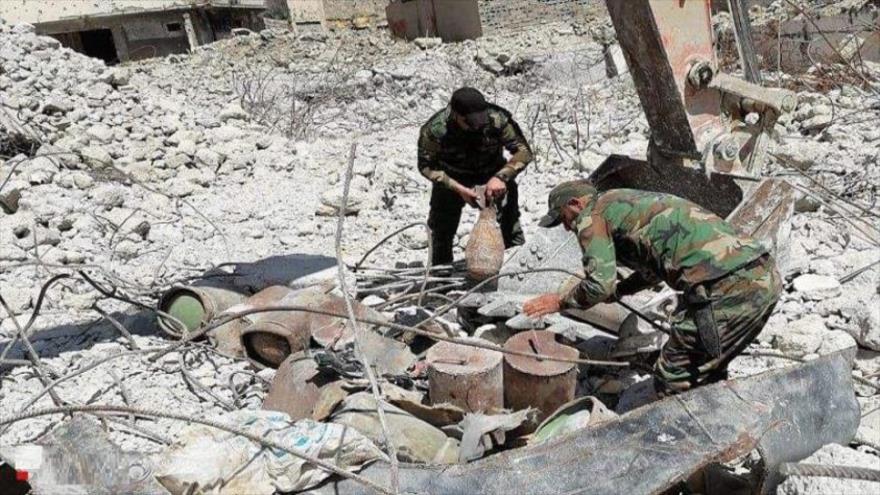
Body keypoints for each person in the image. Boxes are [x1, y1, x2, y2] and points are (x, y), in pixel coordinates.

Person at [523, 180, 782, 395]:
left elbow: (599, 284)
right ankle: (719, 423)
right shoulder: (620, 201)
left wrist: (560, 302)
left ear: (575, 204)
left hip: (727, 287)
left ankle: (681, 447)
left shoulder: (591, 217)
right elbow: (653, 267)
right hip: (762, 275)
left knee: (674, 377)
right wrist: (622, 290)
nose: (568, 227)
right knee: (706, 368)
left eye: (564, 219)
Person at [418, 87, 533, 266]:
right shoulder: (436, 130)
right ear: (457, 115)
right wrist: (457, 188)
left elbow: (523, 151)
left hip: (492, 174)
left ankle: (518, 267)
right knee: (441, 230)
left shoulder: (497, 119)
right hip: (452, 178)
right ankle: (441, 277)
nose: (479, 124)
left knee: (510, 225)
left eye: (481, 118)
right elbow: (426, 166)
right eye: (472, 121)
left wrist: (501, 177)